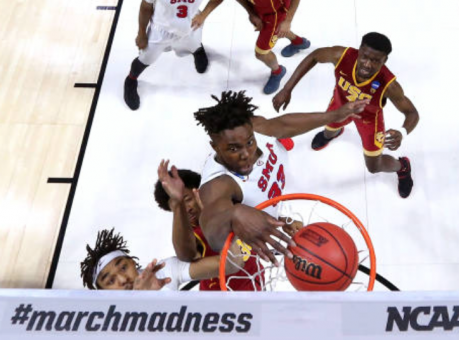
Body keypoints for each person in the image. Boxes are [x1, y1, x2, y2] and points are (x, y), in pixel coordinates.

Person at [193, 90, 368, 264]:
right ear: (214, 147)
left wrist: (333, 116)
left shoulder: (256, 127)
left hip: (273, 207)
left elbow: (283, 125)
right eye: (233, 149)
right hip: (256, 236)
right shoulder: (218, 185)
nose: (246, 154)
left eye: (249, 142)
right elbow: (213, 237)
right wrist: (234, 213)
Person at [272, 32, 419, 199]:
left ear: (384, 61)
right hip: (340, 105)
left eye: (375, 61)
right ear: (359, 51)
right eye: (364, 57)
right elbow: (314, 56)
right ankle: (334, 133)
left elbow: (412, 113)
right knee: (328, 131)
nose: (367, 64)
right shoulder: (341, 56)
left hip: (369, 118)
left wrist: (403, 132)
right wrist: (287, 88)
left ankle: (403, 167)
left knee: (373, 166)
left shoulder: (390, 85)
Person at [154, 162, 286, 291]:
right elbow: (186, 254)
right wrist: (178, 204)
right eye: (179, 209)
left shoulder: (230, 208)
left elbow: (257, 213)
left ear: (199, 192)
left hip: (255, 286)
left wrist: (287, 221)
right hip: (221, 300)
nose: (186, 209)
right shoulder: (194, 233)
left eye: (187, 200)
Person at [123, 0, 228, 110]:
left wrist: (204, 14)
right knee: (145, 59)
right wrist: (141, 33)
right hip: (161, 30)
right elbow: (145, 8)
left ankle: (198, 51)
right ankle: (130, 80)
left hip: (190, 27)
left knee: (195, 44)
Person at [198, 0, 310, 94]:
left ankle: (278, 71)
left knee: (261, 53)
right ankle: (298, 42)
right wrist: (251, 12)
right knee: (276, 33)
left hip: (276, 13)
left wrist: (287, 21)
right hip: (260, 9)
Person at [80, 228, 243, 290]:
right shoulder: (102, 321)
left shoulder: (165, 269)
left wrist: (221, 221)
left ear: (133, 262)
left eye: (123, 268)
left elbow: (229, 265)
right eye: (110, 281)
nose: (123, 279)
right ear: (102, 294)